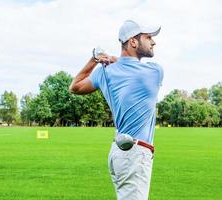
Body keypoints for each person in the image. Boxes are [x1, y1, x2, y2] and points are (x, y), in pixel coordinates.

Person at [69, 19, 163, 200]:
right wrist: (114, 59)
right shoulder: (154, 71)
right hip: (135, 154)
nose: (153, 42)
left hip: (119, 153)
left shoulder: (104, 71)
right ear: (133, 42)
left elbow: (75, 87)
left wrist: (95, 59)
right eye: (148, 37)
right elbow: (131, 67)